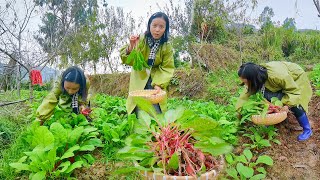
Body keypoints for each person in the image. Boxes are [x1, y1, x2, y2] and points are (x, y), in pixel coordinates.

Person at [236, 61, 313, 141]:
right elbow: (243, 97)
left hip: (296, 78)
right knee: (267, 96)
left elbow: (294, 92)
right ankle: (275, 120)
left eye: (245, 82)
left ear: (253, 79)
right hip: (280, 81)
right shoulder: (257, 76)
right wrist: (238, 113)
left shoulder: (278, 75)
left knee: (296, 103)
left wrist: (286, 106)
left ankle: (307, 130)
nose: (245, 85)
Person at [120, 12, 175, 115]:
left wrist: (159, 84)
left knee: (156, 108)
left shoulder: (167, 47)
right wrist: (131, 46)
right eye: (154, 26)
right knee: (138, 105)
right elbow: (128, 60)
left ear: (165, 29)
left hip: (156, 78)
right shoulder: (141, 40)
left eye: (161, 27)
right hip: (140, 76)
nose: (157, 30)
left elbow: (167, 67)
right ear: (149, 25)